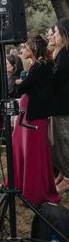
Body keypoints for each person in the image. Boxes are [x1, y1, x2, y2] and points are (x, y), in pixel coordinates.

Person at [11, 35, 60, 205]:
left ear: (33, 48)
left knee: (33, 154)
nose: (22, 50)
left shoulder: (40, 66)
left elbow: (23, 88)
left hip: (34, 117)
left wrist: (15, 83)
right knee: (22, 150)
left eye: (25, 47)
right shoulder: (38, 65)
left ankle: (34, 191)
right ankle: (21, 184)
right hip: (29, 115)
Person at [50, 19, 69, 194]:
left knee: (64, 142)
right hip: (60, 106)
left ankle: (67, 178)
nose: (54, 35)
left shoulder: (64, 53)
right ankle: (63, 174)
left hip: (63, 107)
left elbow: (56, 79)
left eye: (56, 32)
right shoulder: (61, 53)